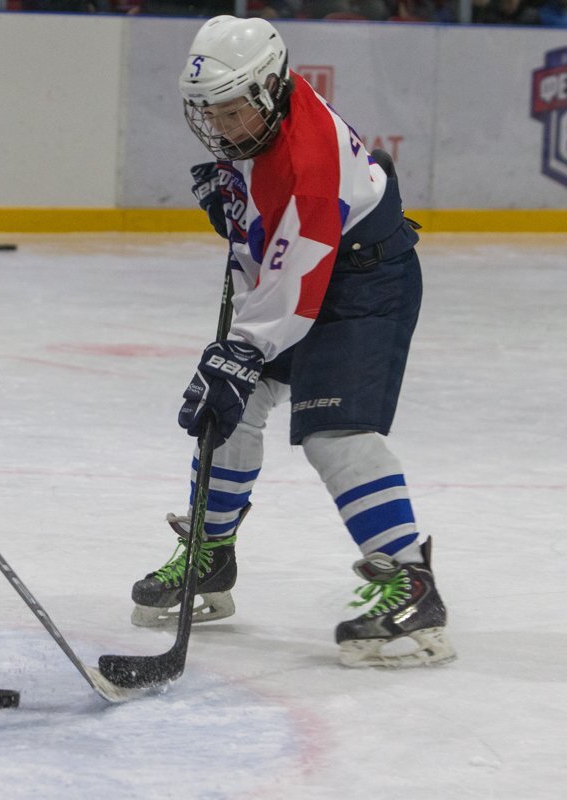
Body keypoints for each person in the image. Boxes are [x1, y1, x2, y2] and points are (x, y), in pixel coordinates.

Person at [129, 16, 455, 668]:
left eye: (231, 111)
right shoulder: (267, 115)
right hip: (322, 265)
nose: (220, 126)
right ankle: (212, 554)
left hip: (362, 285)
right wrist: (238, 204)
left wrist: (240, 351)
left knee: (335, 434)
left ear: (270, 89)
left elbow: (293, 286)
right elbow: (268, 236)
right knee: (236, 407)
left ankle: (412, 585)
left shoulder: (309, 164)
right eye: (210, 112)